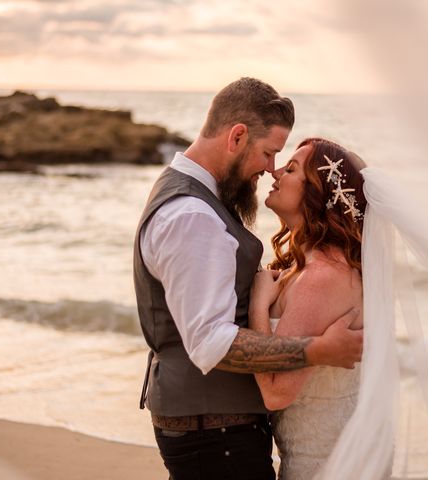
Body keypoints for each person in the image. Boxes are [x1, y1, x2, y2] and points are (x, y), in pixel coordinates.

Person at [133, 78, 363, 480]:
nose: (271, 168)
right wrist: (317, 351)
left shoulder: (197, 200)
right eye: (269, 153)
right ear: (237, 136)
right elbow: (210, 342)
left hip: (216, 432)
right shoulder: (193, 216)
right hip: (215, 437)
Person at [249, 137, 392, 480]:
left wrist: (257, 304)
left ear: (317, 195)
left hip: (325, 467)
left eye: (292, 168)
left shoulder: (325, 276)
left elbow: (276, 392)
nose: (276, 171)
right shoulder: (306, 267)